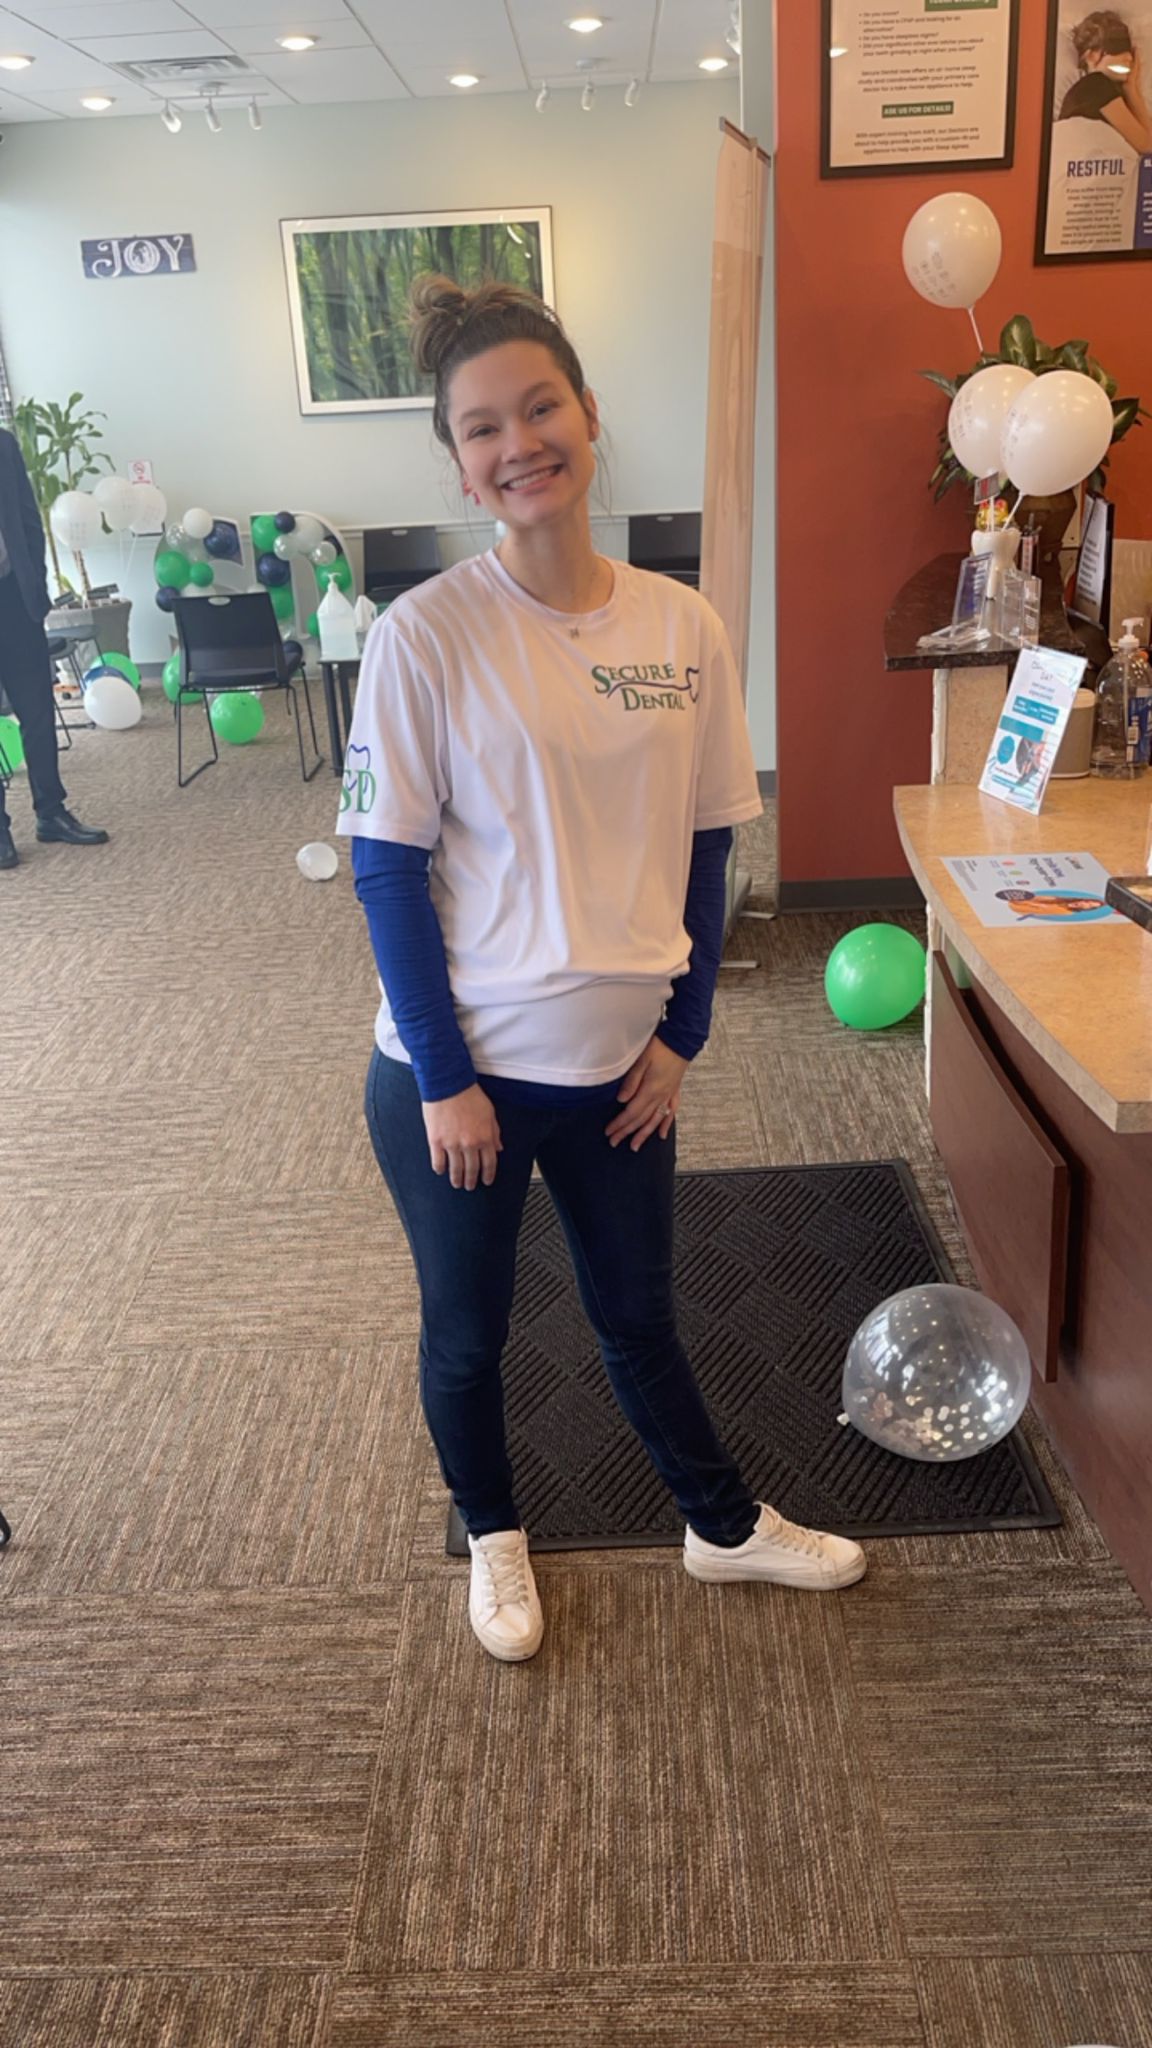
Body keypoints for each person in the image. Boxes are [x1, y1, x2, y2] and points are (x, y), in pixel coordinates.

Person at [337, 277, 866, 1664]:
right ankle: (495, 1536)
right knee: (471, 1334)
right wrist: (445, 1080)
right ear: (457, 462)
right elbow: (385, 872)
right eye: (482, 427)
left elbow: (707, 842)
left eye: (540, 408)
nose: (519, 443)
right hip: (463, 1081)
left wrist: (684, 1035)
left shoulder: (682, 629)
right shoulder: (421, 637)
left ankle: (721, 1525)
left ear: (587, 413)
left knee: (639, 1315)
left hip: (623, 1072)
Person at [0, 427, 109, 871]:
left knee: (38, 713)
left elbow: (29, 521)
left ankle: (51, 812)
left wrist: (37, 587)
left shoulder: (3, 444)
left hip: (15, 599)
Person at [1058, 10, 1152, 152]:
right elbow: (1147, 146)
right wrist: (1132, 90)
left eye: (1129, 51)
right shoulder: (1095, 85)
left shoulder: (1102, 91)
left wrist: (1131, 88)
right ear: (1091, 56)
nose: (1128, 57)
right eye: (1116, 48)